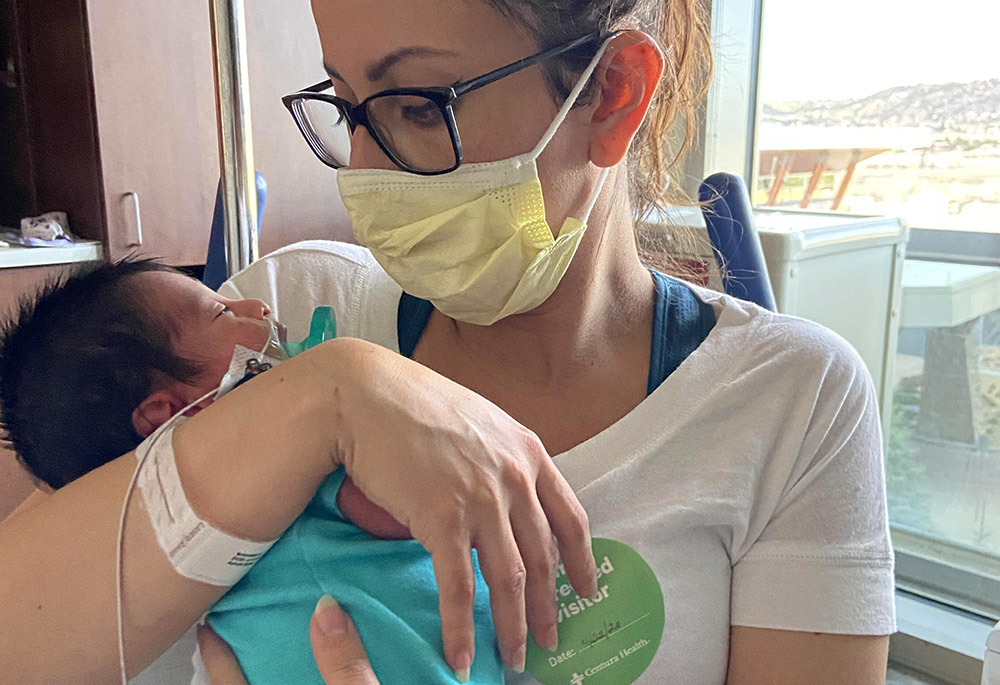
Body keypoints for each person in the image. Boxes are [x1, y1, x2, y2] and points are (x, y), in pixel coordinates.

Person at [0, 1, 895, 684]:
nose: (366, 169)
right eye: (348, 105)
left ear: (612, 92)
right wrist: (329, 395)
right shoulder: (280, 322)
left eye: (419, 106)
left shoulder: (793, 401)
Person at [0, 258, 505, 683]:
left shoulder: (187, 548)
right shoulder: (296, 469)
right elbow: (415, 508)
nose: (257, 306)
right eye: (221, 313)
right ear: (167, 412)